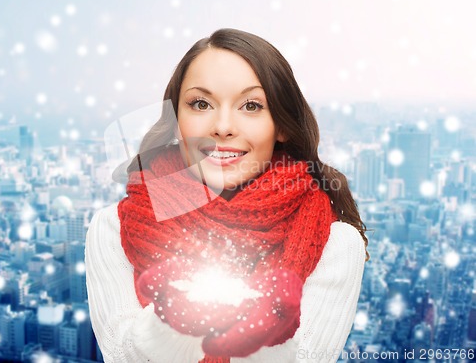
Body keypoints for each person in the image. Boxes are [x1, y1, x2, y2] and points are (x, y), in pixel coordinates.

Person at [85, 28, 370, 363]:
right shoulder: (113, 229)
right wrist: (174, 318)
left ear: (282, 126)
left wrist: (266, 324)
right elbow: (121, 356)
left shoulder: (335, 244)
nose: (222, 126)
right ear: (176, 120)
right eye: (200, 104)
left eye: (251, 105)